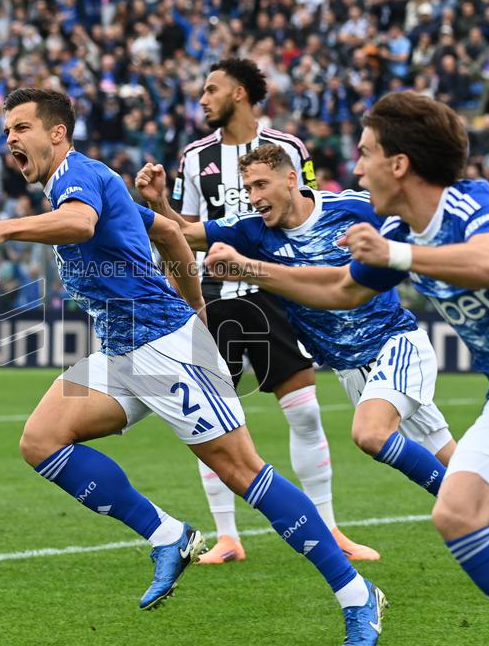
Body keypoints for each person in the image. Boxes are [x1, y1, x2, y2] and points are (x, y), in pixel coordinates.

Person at [0, 88, 385, 646]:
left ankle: (356, 595)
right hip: (121, 350)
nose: (10, 139)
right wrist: (198, 306)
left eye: (22, 128)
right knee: (42, 441)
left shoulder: (77, 178)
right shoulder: (88, 181)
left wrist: (3, 228)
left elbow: (79, 226)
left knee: (243, 472)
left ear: (57, 133)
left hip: (161, 346)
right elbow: (171, 233)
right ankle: (169, 535)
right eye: (6, 130)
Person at [204, 92, 489, 646]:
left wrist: (396, 255)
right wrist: (249, 268)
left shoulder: (472, 205)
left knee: (381, 439)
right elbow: (342, 288)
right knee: (458, 514)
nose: (355, 168)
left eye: (364, 154)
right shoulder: (394, 229)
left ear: (399, 163)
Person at [146, 142, 489, 592]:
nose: (255, 196)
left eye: (262, 184)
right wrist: (159, 203)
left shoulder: (353, 208)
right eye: (248, 187)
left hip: (398, 344)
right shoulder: (253, 230)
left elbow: (414, 232)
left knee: (371, 434)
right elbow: (188, 234)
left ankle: (477, 521)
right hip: (353, 370)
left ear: (292, 178)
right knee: (460, 473)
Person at [154, 57, 375, 563]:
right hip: (213, 301)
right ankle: (227, 536)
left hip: (274, 293)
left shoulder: (289, 150)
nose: (202, 99)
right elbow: (179, 232)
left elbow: (309, 212)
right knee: (206, 419)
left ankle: (331, 527)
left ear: (239, 93)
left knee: (305, 413)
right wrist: (161, 210)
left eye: (211, 90)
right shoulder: (194, 157)